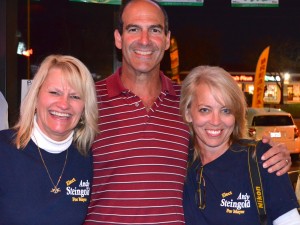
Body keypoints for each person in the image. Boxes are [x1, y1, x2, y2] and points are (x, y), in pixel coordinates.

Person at [84, 0, 291, 224]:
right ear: (118, 37)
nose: (144, 40)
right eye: (134, 29)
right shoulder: (88, 100)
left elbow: (223, 143)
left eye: (154, 30)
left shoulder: (188, 101)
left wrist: (269, 157)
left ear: (166, 40)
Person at [180, 65, 300, 225]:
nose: (216, 121)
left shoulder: (262, 159)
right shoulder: (179, 159)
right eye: (205, 110)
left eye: (226, 111)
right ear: (188, 113)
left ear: (236, 115)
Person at [0, 55, 99, 225]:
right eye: (54, 92)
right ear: (36, 96)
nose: (64, 104)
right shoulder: (4, 150)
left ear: (84, 108)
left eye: (75, 96)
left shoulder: (87, 157)